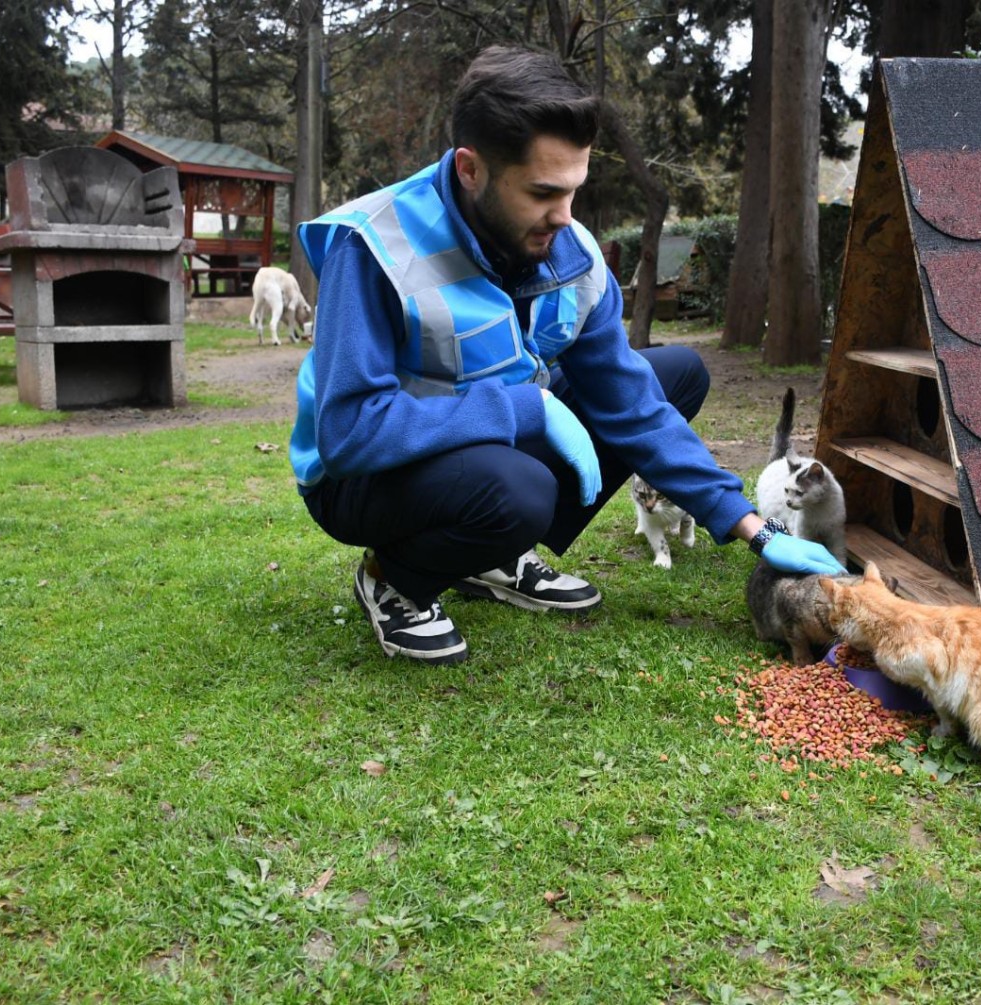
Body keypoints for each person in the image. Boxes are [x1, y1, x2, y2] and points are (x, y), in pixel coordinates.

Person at [288, 44, 843, 665]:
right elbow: (347, 433)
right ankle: (395, 579)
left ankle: (491, 557)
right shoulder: (374, 248)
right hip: (360, 478)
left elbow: (632, 406)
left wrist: (750, 524)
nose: (566, 218)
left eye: (574, 191)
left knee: (675, 375)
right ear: (471, 170)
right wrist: (521, 409)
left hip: (477, 453)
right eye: (543, 192)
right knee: (517, 490)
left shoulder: (568, 250)